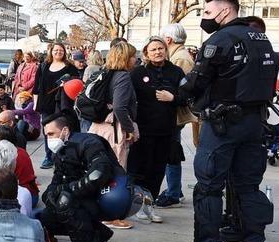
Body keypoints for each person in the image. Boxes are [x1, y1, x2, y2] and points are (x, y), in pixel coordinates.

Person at [171, 0, 278, 242]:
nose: (204, 18)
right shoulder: (260, 38)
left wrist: (177, 93)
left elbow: (195, 81)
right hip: (255, 124)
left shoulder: (221, 39)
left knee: (208, 188)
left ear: (225, 11)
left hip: (224, 125)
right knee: (249, 188)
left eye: (207, 12)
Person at [39, 114, 131, 242]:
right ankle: (97, 233)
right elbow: (56, 181)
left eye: (51, 134)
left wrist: (67, 190)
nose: (48, 139)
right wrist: (50, 195)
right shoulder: (61, 152)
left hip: (105, 197)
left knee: (65, 201)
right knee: (46, 217)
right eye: (46, 135)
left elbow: (99, 173)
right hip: (84, 197)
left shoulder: (88, 143)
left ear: (65, 130)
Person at [127, 36, 185, 224]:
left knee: (158, 170)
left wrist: (173, 98)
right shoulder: (137, 73)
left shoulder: (176, 72)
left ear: (166, 50)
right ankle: (137, 206)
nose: (158, 52)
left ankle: (150, 205)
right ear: (146, 53)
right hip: (142, 130)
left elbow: (188, 96)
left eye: (160, 48)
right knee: (139, 169)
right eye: (153, 50)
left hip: (166, 130)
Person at [156, 23, 196, 208]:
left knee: (170, 153)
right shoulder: (180, 56)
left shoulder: (181, 59)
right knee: (170, 152)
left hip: (175, 114)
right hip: (172, 114)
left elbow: (183, 90)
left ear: (169, 40)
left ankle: (173, 192)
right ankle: (174, 190)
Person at [88, 39, 138, 169]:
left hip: (98, 126)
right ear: (125, 58)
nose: (135, 59)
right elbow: (119, 107)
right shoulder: (123, 77)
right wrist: (130, 129)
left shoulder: (105, 72)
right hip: (114, 129)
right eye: (133, 56)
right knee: (116, 170)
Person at [33, 42, 79, 168]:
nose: (58, 52)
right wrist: (35, 104)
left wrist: (68, 84)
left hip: (63, 104)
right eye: (56, 50)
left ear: (64, 52)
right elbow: (36, 87)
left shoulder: (70, 67)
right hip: (45, 104)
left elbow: (78, 84)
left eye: (61, 50)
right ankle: (49, 157)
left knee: (64, 130)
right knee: (49, 131)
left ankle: (64, 156)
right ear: (51, 52)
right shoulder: (43, 66)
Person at [0, 125, 39, 206]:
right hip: (32, 194)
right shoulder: (21, 151)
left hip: (23, 197)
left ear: (3, 141)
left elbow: (1, 183)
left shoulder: (6, 156)